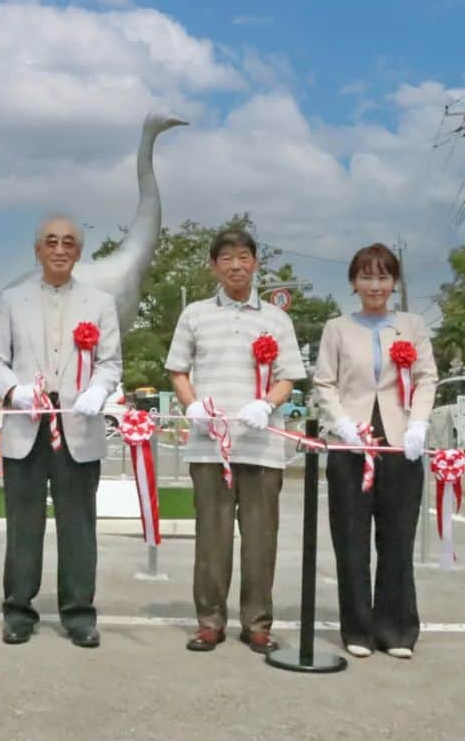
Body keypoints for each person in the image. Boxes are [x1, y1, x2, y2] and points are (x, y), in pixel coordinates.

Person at [0, 213, 122, 648]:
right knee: (23, 524)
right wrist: (14, 391)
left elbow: (110, 362)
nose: (59, 249)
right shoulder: (12, 300)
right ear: (37, 250)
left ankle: (79, 612)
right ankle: (18, 610)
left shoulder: (100, 302)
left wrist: (97, 392)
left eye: (68, 243)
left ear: (79, 252)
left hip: (78, 424)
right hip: (27, 422)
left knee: (77, 525)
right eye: (51, 242)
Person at [166, 228, 305, 654]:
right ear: (213, 266)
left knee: (261, 539)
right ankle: (209, 621)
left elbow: (288, 376)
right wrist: (192, 407)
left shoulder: (276, 318)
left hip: (261, 445)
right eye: (226, 258)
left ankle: (257, 624)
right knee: (213, 537)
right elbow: (177, 370)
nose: (236, 265)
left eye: (243, 256)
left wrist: (266, 404)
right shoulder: (194, 313)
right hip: (210, 444)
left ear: (256, 263)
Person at [312, 243, 436, 659]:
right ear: (353, 282)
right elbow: (324, 382)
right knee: (351, 536)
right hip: (353, 439)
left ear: (394, 281)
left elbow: (426, 378)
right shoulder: (337, 328)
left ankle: (397, 629)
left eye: (383, 277)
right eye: (366, 276)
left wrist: (418, 422)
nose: (375, 285)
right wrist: (342, 423)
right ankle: (359, 629)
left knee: (398, 536)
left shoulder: (412, 325)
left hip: (400, 440)